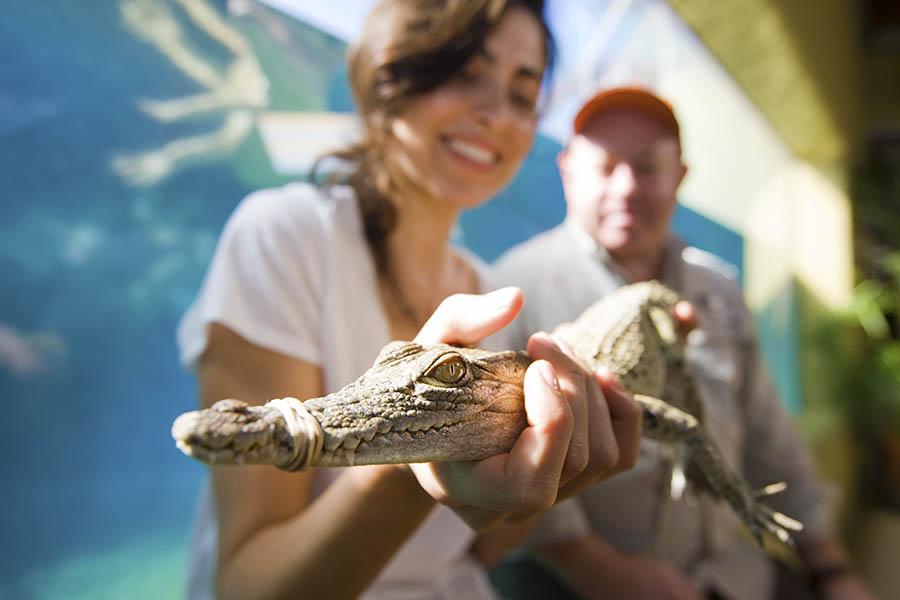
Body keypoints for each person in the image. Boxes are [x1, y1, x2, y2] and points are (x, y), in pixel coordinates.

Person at [175, 3, 643, 599]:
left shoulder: (492, 291)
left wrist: (547, 483)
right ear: (391, 72)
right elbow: (245, 587)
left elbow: (484, 544)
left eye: (522, 96)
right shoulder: (285, 235)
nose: (496, 116)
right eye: (467, 74)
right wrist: (415, 451)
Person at [492, 86, 874, 600]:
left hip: (733, 576)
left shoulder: (716, 288)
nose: (626, 187)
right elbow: (503, 469)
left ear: (680, 177)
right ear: (568, 172)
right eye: (605, 166)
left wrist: (829, 568)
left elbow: (768, 436)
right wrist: (601, 571)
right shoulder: (516, 289)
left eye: (648, 166)